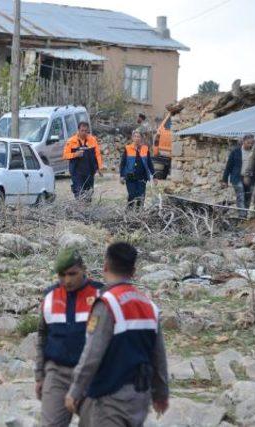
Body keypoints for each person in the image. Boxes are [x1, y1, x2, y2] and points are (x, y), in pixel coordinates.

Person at [64, 242, 169, 427]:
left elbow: (92, 354)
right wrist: (161, 393)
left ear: (105, 266)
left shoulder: (107, 303)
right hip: (140, 399)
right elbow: (158, 356)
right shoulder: (149, 306)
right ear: (134, 271)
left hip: (110, 399)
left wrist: (75, 390)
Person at [35, 248, 103, 427]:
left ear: (84, 270)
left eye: (73, 274)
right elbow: (42, 336)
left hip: (92, 376)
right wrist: (39, 375)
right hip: (57, 374)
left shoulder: (100, 295)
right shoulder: (49, 296)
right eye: (62, 275)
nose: (67, 280)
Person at [63, 122, 104, 201]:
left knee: (88, 194)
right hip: (76, 172)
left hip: (89, 172)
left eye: (86, 131)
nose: (84, 133)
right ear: (78, 130)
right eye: (82, 130)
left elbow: (97, 154)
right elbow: (65, 155)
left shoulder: (92, 140)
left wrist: (99, 167)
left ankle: (87, 211)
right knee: (79, 194)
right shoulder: (71, 141)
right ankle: (80, 210)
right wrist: (75, 154)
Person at [221, 134, 255, 217]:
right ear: (243, 141)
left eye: (252, 143)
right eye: (248, 143)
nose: (250, 145)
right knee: (240, 195)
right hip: (237, 178)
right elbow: (228, 166)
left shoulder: (254, 152)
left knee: (248, 196)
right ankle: (242, 215)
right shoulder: (235, 152)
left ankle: (245, 213)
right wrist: (224, 180)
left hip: (250, 178)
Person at [120, 131, 155, 208]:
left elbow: (149, 163)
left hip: (142, 178)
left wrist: (154, 176)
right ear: (132, 138)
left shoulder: (145, 149)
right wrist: (122, 176)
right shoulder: (128, 148)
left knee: (141, 197)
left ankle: (139, 214)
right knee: (132, 195)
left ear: (141, 138)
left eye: (138, 136)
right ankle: (129, 213)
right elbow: (123, 163)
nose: (137, 138)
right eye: (135, 136)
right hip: (130, 177)